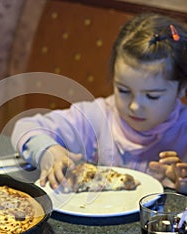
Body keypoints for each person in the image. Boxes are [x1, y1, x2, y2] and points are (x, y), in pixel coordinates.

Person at [11, 13, 187, 193]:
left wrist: (182, 185)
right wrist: (47, 151)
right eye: (123, 90)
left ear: (182, 88)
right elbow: (26, 126)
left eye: (152, 96)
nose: (134, 106)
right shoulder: (97, 117)